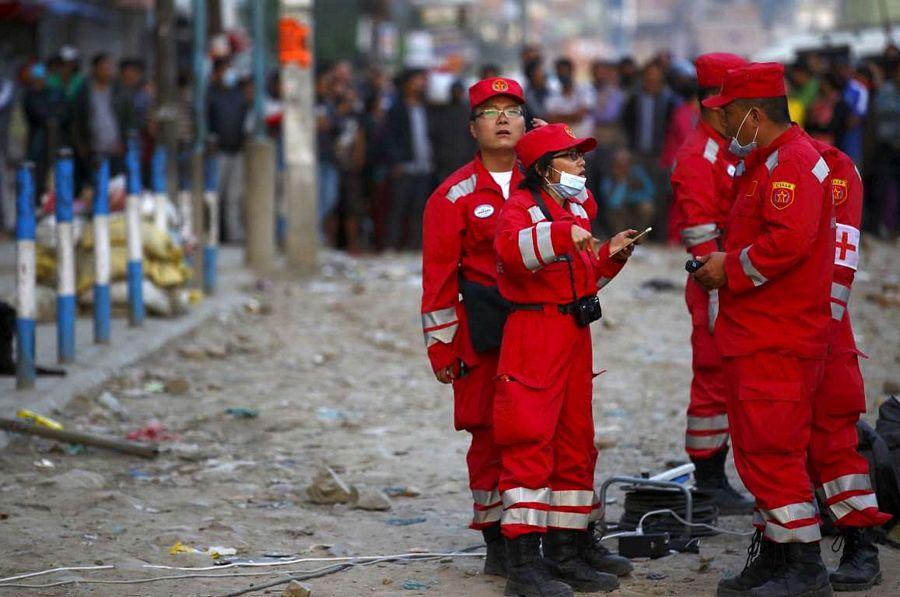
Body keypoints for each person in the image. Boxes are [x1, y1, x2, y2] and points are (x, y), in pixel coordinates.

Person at [693, 62, 836, 596]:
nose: (724, 124)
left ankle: (804, 568)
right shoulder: (771, 159)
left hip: (777, 336)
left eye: (728, 114)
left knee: (773, 453)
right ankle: (776, 555)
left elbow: (786, 243)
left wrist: (725, 268)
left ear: (753, 114)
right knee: (759, 452)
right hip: (759, 334)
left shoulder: (792, 164)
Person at [494, 123, 637, 596]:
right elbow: (511, 253)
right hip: (533, 334)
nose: (581, 164)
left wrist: (611, 257)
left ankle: (565, 551)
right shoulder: (520, 208)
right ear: (542, 168)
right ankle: (523, 564)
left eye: (581, 156)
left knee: (576, 443)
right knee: (529, 442)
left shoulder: (571, 210)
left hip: (573, 334)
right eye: (571, 157)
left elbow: (584, 281)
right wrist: (560, 234)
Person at [421, 77, 528, 580]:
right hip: (482, 328)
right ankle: (495, 539)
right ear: (472, 128)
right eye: (491, 111)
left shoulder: (546, 180)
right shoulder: (453, 195)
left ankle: (536, 532)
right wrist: (442, 347)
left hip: (539, 326)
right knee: (487, 430)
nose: (503, 118)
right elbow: (438, 279)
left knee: (538, 428)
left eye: (513, 110)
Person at [803, 134, 891, 591]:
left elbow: (840, 262)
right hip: (771, 338)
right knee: (775, 451)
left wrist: (821, 332)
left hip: (818, 338)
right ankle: (788, 557)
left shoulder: (828, 166)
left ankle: (861, 547)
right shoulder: (753, 165)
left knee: (835, 446)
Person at [669, 53, 754, 516]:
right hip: (716, 288)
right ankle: (707, 474)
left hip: (744, 279)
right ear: (714, 105)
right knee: (713, 377)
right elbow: (702, 247)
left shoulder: (734, 146)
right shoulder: (698, 158)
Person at [384, 68, 433, 250]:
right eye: (416, 80)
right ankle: (391, 245)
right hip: (404, 167)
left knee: (420, 209)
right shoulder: (396, 109)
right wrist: (396, 162)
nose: (420, 84)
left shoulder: (427, 108)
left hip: (424, 167)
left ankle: (415, 246)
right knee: (397, 208)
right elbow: (389, 138)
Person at [207, 57, 249, 243]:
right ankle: (213, 235)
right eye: (225, 70)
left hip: (237, 151)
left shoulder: (237, 95)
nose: (228, 75)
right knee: (216, 196)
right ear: (216, 73)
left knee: (234, 197)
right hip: (219, 153)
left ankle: (234, 236)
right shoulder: (209, 94)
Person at [601, 147, 655, 233]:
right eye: (620, 163)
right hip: (618, 210)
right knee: (616, 212)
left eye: (626, 162)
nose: (623, 166)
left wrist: (632, 198)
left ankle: (640, 237)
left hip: (635, 206)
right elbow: (613, 203)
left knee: (647, 207)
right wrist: (622, 182)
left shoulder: (638, 172)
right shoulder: (609, 177)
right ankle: (621, 239)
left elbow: (650, 192)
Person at [545, 58, 593, 138]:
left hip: (584, 140)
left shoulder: (584, 90)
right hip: (563, 143)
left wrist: (560, 117)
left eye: (564, 71)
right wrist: (573, 115)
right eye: (559, 72)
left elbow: (580, 116)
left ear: (571, 71)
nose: (562, 75)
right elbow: (551, 119)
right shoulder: (552, 95)